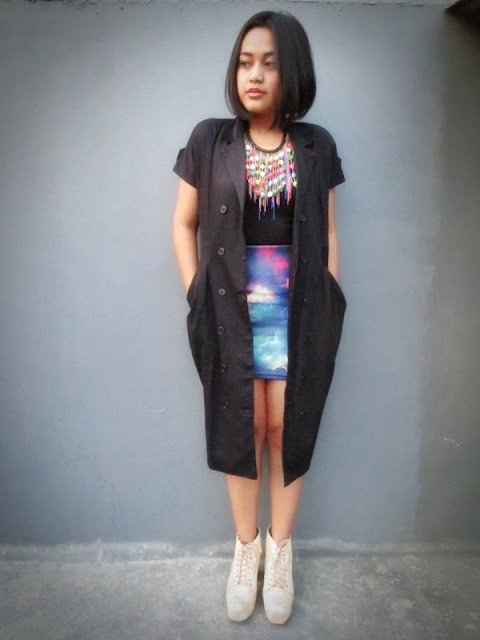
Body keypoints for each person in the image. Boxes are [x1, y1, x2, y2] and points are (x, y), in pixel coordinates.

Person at [172, 10, 347, 625]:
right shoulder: (209, 140)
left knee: (283, 427)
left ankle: (281, 550)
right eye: (246, 62)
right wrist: (198, 295)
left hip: (298, 308)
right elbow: (183, 225)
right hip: (229, 308)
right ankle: (245, 551)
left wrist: (330, 300)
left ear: (291, 71)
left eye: (269, 64)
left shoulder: (317, 145)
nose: (254, 75)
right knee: (242, 427)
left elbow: (328, 233)